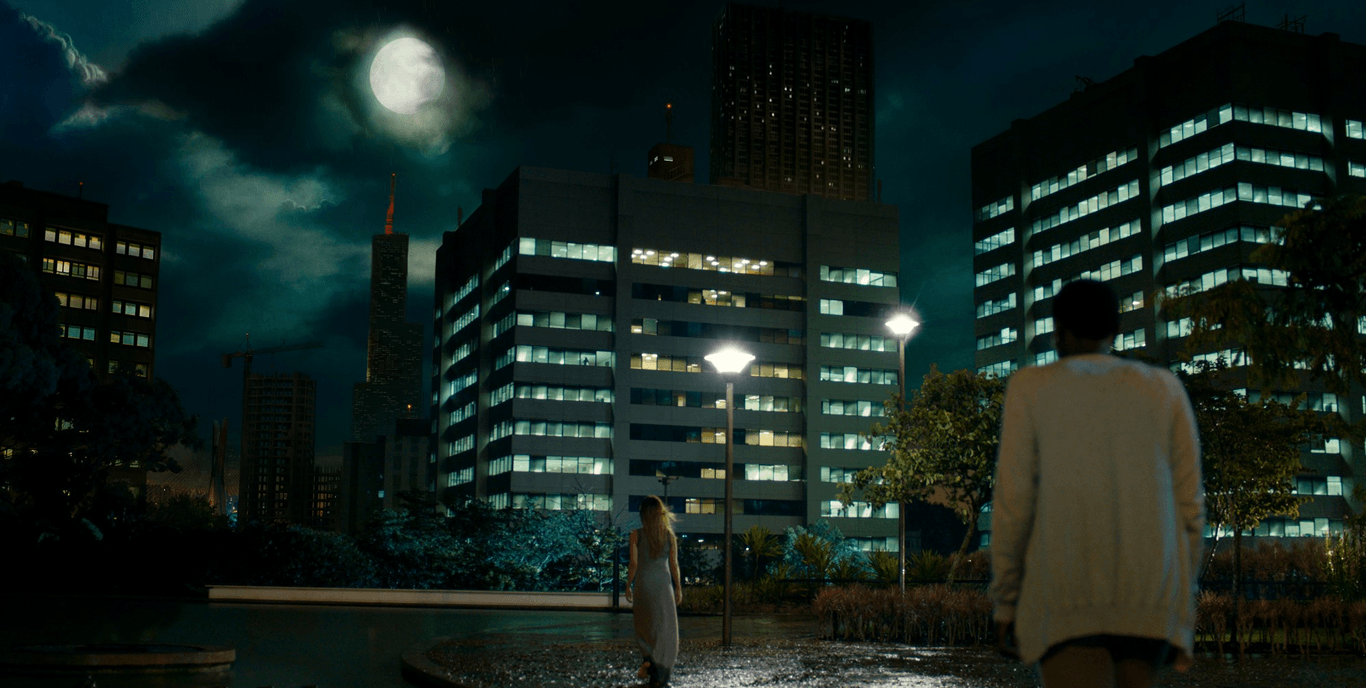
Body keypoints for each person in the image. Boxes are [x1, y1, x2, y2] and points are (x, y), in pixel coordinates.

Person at [990, 279, 1205, 688]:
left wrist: (1006, 601)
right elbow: (1190, 509)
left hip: (1066, 591)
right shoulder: (1165, 389)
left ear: (1059, 330)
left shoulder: (1031, 388)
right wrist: (1180, 607)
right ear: (1114, 331)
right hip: (1150, 595)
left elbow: (1014, 505)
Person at [626, 495, 682, 687]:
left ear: (643, 515)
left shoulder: (636, 534)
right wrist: (678, 588)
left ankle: (647, 659)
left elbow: (633, 564)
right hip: (663, 586)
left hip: (643, 584)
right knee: (665, 630)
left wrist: (628, 585)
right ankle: (660, 671)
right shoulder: (669, 536)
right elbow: (674, 565)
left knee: (645, 625)